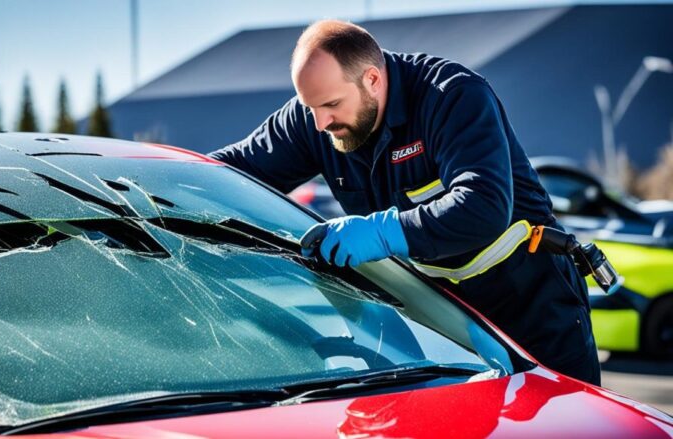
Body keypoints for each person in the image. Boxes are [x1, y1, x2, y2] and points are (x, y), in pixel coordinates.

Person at [209, 19, 600, 385]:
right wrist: (151, 179)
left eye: (330, 106)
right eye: (310, 108)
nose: (319, 124)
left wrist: (382, 232)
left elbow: (485, 206)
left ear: (373, 79)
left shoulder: (452, 96)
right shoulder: (315, 118)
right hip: (443, 323)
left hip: (532, 308)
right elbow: (225, 174)